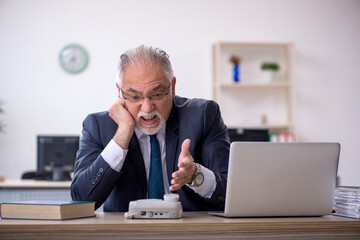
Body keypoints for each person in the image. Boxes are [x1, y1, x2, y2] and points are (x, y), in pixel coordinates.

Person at [71, 45, 230, 212]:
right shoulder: (98, 126)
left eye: (157, 94)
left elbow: (231, 191)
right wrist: (122, 135)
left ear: (172, 86)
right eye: (134, 96)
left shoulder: (203, 116)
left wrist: (196, 176)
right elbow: (81, 200)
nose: (147, 108)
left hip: (188, 231)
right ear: (119, 92)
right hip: (126, 233)